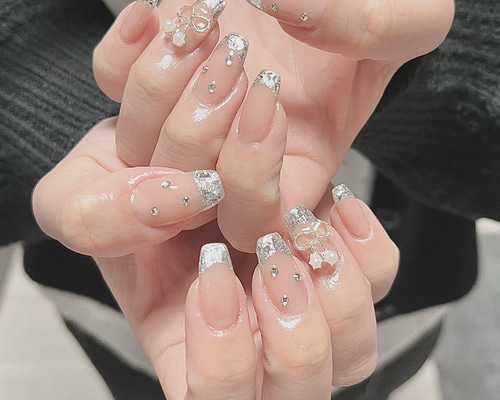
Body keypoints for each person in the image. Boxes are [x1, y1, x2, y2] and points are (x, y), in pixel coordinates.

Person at [2, 0, 499, 398]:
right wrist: (71, 114)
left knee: (373, 377)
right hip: (120, 297)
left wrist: (401, 62)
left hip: (404, 292)